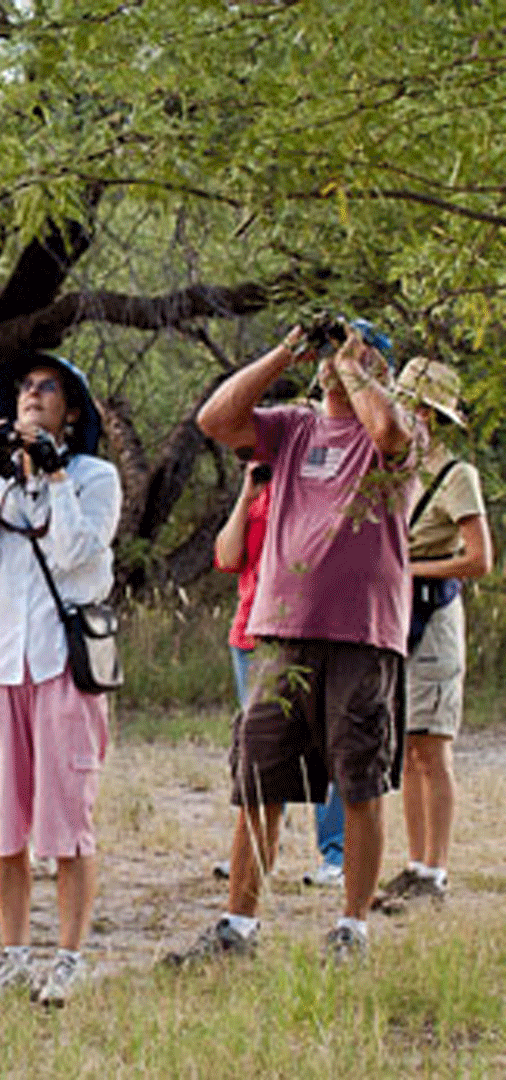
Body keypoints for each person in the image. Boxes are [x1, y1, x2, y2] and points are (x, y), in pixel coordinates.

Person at [175, 319, 417, 968]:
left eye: (357, 351)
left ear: (380, 368)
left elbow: (389, 433)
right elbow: (216, 419)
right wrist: (288, 349)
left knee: (359, 778)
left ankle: (351, 929)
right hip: (281, 632)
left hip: (362, 633)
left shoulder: (401, 428)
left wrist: (354, 365)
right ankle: (237, 926)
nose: (336, 363)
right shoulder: (294, 427)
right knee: (260, 777)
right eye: (333, 352)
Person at [0, 353, 121, 1007]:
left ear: (70, 410)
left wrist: (52, 472)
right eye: (23, 387)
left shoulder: (94, 477)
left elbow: (76, 556)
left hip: (60, 662)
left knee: (68, 817)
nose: (30, 396)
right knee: (6, 822)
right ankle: (14, 957)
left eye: (45, 388)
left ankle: (71, 956)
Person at [372, 358, 492, 915]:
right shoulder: (392, 469)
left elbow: (478, 559)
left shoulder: (456, 474)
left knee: (434, 747)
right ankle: (416, 864)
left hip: (435, 618)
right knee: (411, 748)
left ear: (426, 414)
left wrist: (410, 571)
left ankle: (436, 870)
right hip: (395, 616)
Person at [212, 456, 347, 888]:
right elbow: (228, 556)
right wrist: (246, 495)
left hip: (306, 632)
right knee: (262, 747)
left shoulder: (319, 495)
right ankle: (257, 853)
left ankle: (335, 853)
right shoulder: (258, 496)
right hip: (252, 632)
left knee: (324, 745)